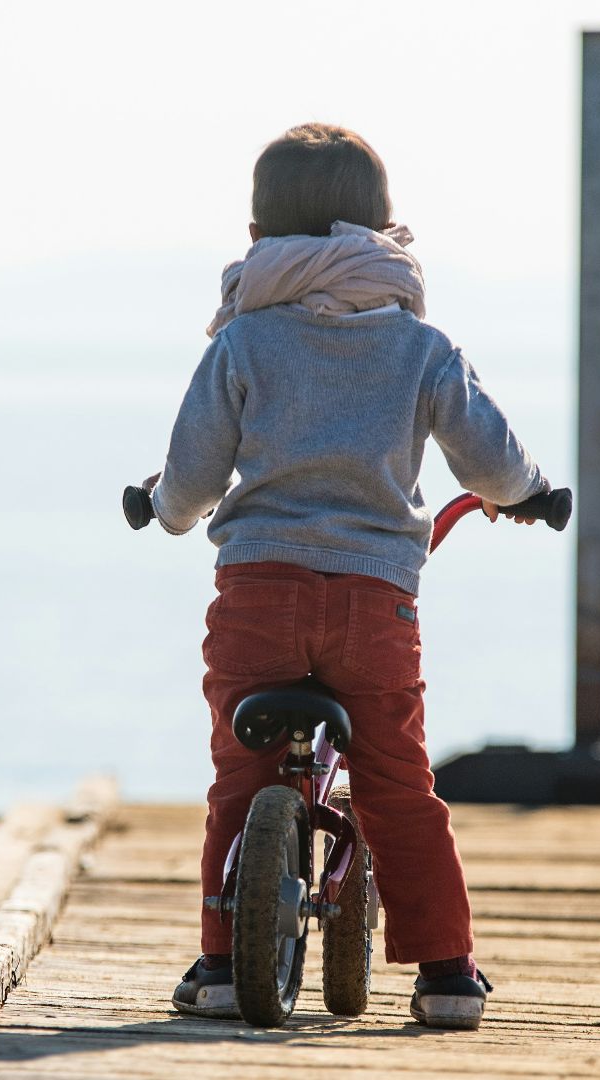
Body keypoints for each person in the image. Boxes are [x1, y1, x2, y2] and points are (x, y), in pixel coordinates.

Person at [143, 122, 549, 1030]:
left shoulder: (243, 342)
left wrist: (163, 509)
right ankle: (446, 973)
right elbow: (492, 461)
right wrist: (530, 493)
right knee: (397, 782)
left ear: (257, 239)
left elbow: (192, 478)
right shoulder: (421, 347)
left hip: (258, 597)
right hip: (373, 604)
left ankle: (221, 965)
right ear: (386, 233)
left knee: (239, 776)